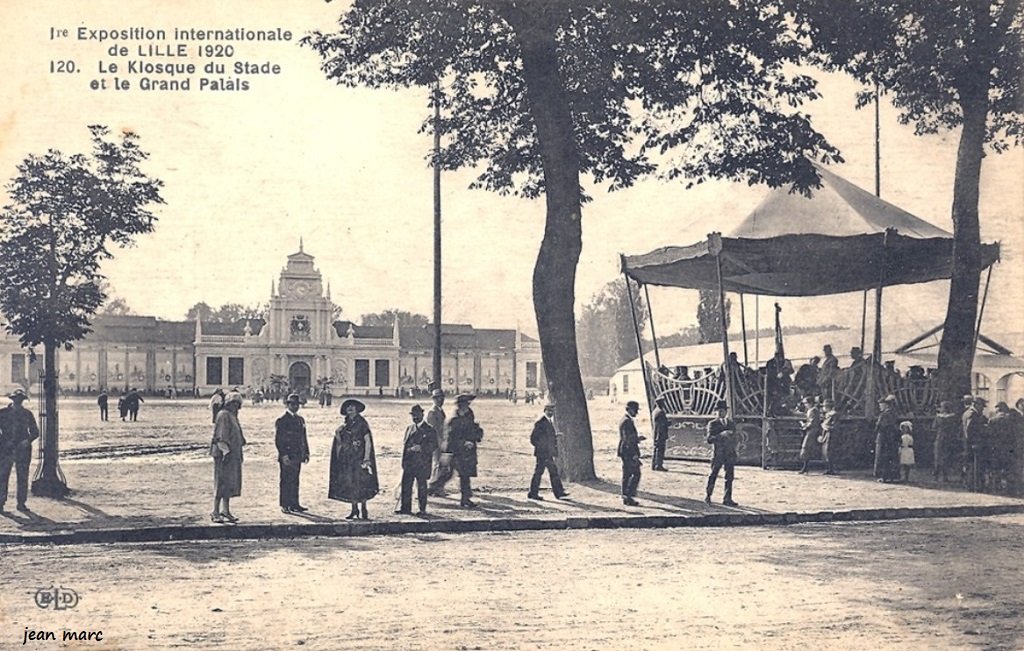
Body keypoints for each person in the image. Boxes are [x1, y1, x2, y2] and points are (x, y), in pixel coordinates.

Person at [328, 398, 379, 519]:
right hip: (348, 459)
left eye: (352, 407)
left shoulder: (362, 423)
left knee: (362, 483)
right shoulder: (345, 425)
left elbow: (367, 441)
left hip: (359, 458)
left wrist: (367, 458)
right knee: (350, 483)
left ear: (357, 409)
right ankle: (354, 509)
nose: (350, 409)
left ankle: (364, 509)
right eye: (348, 407)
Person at [0, 390, 40, 513]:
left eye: (20, 400)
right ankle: (1, 502)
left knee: (22, 477)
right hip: (6, 449)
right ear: (12, 400)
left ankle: (21, 503)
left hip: (23, 450)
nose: (18, 403)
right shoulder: (3, 413)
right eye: (16, 400)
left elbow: (35, 432)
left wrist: (27, 441)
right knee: (2, 476)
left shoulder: (27, 414)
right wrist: (3, 441)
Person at [210, 391, 246, 523]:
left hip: (233, 455)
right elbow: (220, 436)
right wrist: (226, 452)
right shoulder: (224, 415)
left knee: (229, 484)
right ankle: (215, 511)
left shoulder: (232, 416)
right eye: (234, 404)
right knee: (221, 483)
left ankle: (225, 510)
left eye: (238, 405)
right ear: (229, 404)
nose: (236, 407)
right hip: (224, 456)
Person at [397, 405, 438, 515]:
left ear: (422, 414)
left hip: (422, 463)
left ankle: (422, 509)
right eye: (413, 415)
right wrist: (404, 462)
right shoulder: (409, 428)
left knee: (422, 487)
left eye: (417, 414)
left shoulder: (429, 430)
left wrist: (422, 448)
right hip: (409, 463)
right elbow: (405, 447)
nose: (415, 417)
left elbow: (434, 445)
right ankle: (405, 508)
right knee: (406, 486)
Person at [446, 394, 484, 508]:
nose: (468, 406)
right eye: (466, 404)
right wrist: (464, 443)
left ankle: (466, 497)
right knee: (461, 475)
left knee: (464, 475)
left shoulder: (469, 414)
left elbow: (472, 429)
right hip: (459, 451)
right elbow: (452, 437)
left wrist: (477, 435)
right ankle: (465, 499)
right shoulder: (455, 419)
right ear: (461, 406)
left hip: (468, 451)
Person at [275, 393, 309, 514]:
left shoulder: (300, 420)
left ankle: (294, 503)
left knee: (295, 479)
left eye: (297, 404)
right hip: (287, 455)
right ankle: (285, 504)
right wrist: (283, 455)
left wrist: (306, 453)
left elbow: (303, 438)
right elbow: (279, 440)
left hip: (297, 454)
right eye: (292, 404)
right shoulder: (282, 420)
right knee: (285, 479)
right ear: (288, 405)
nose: (295, 407)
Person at [527, 402, 568, 500]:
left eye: (552, 411)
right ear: (544, 411)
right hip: (543, 454)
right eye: (549, 411)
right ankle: (534, 493)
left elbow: (546, 437)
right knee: (542, 473)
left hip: (547, 454)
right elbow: (533, 439)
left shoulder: (549, 422)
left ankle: (558, 493)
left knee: (551, 472)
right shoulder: (540, 423)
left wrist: (556, 436)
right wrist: (542, 448)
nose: (550, 413)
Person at [705, 400, 738, 506]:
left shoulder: (731, 424)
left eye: (722, 411)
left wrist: (734, 449)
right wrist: (721, 435)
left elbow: (735, 438)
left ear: (726, 412)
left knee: (729, 477)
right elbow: (709, 439)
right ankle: (708, 495)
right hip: (718, 454)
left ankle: (727, 498)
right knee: (713, 475)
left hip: (729, 454)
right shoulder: (713, 424)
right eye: (718, 411)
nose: (720, 413)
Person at [618, 401, 644, 506]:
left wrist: (637, 439)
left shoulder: (626, 420)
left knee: (628, 474)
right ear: (629, 409)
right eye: (635, 410)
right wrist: (634, 455)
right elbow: (627, 439)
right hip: (628, 451)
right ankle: (628, 496)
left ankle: (626, 496)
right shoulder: (627, 422)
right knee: (635, 474)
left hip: (626, 450)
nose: (636, 413)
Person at [426, 389, 451, 496]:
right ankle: (433, 488)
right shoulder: (432, 412)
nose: (441, 400)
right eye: (438, 398)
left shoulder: (440, 411)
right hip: (436, 442)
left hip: (441, 441)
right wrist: (440, 443)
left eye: (442, 398)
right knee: (437, 464)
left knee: (441, 465)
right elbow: (434, 430)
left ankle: (436, 488)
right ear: (434, 399)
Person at [962, 395, 989, 491]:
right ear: (976, 404)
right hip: (974, 444)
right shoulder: (972, 414)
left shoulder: (968, 413)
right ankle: (974, 486)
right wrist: (973, 443)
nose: (983, 409)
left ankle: (972, 485)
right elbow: (969, 430)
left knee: (972, 465)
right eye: (982, 406)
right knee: (975, 466)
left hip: (970, 444)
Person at [873, 395, 901, 483]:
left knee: (882, 456)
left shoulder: (884, 415)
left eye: (881, 405)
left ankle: (883, 476)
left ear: (886, 405)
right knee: (891, 456)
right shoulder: (894, 413)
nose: (880, 407)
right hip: (891, 438)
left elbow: (880, 427)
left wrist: (876, 429)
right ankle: (892, 476)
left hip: (883, 438)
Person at [931, 400, 959, 482]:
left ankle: (936, 476)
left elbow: (933, 427)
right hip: (949, 438)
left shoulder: (938, 417)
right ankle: (945, 476)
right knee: (946, 457)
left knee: (937, 457)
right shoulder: (953, 417)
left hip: (939, 438)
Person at [797, 396, 822, 474]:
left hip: (812, 431)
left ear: (810, 403)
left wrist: (803, 425)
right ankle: (805, 467)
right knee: (807, 448)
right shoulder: (811, 410)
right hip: (811, 430)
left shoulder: (813, 410)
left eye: (806, 403)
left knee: (806, 447)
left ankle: (805, 467)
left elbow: (812, 422)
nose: (805, 405)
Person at [819, 398, 839, 475]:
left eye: (824, 406)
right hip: (826, 435)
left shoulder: (834, 415)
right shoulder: (827, 415)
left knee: (829, 452)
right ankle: (827, 468)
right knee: (825, 452)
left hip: (831, 435)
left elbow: (835, 426)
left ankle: (831, 469)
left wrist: (825, 426)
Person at [650, 397, 669, 472]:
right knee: (660, 449)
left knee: (656, 449)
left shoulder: (655, 411)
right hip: (660, 434)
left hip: (657, 434)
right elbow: (661, 425)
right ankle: (658, 465)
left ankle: (654, 464)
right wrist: (668, 423)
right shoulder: (660, 412)